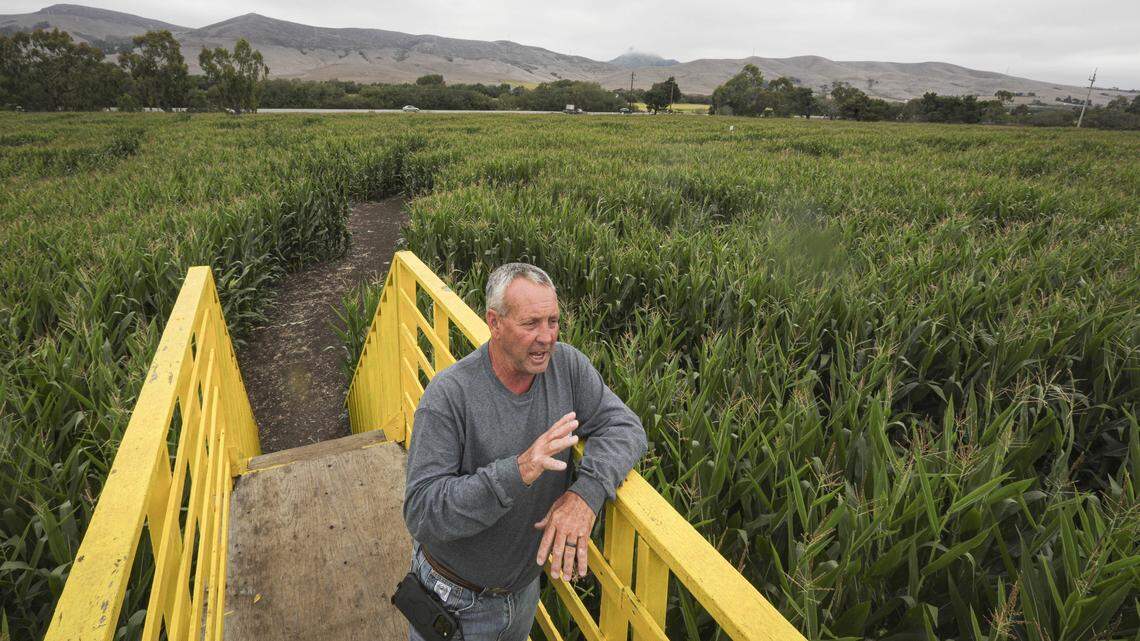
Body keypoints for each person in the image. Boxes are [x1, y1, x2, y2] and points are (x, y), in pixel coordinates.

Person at [402, 262, 648, 641]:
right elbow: (422, 513)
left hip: (522, 596)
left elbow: (625, 426)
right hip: (452, 601)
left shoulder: (566, 366)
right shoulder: (449, 396)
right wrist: (517, 471)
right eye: (531, 323)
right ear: (494, 323)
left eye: (553, 321)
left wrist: (585, 494)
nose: (546, 337)